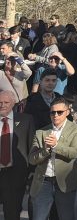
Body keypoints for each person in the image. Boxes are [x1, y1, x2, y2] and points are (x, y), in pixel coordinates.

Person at [28, 97, 77, 220]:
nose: (56, 115)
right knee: (39, 217)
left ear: (67, 112)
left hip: (65, 182)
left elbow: (74, 152)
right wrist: (45, 150)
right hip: (44, 182)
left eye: (60, 112)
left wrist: (56, 145)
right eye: (53, 112)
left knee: (66, 217)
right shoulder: (41, 132)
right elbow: (32, 159)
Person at [0, 90, 33, 219]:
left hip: (15, 175)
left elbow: (31, 146)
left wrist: (31, 172)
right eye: (0, 102)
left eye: (6, 102)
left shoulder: (26, 120)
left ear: (13, 103)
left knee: (12, 213)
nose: (2, 105)